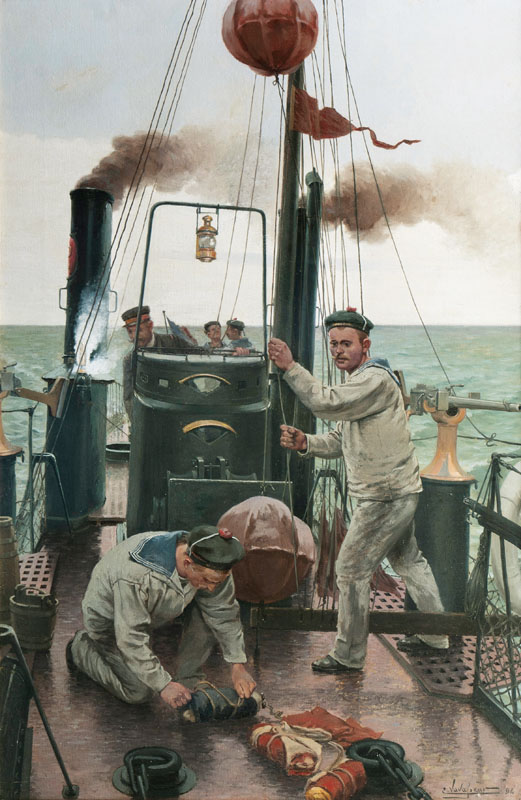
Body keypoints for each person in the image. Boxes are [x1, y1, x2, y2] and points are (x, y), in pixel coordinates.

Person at [267, 308, 449, 674]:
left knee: (349, 569)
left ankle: (348, 656)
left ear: (365, 345)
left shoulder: (374, 381)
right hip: (396, 491)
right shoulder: (361, 383)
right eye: (333, 344)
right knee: (408, 561)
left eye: (346, 344)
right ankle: (436, 636)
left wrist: (290, 368)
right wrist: (306, 442)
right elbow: (340, 438)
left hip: (384, 496)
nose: (337, 351)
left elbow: (325, 403)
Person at [66, 524, 256, 709]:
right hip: (110, 625)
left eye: (217, 581)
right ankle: (80, 647)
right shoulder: (135, 575)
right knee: (140, 692)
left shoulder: (211, 560)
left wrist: (237, 666)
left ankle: (188, 677)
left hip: (150, 614)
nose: (213, 587)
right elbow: (130, 638)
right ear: (187, 563)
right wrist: (164, 685)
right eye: (207, 580)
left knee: (209, 608)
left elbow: (223, 612)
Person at [121, 305, 196, 418]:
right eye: (130, 332)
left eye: (138, 331)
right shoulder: (130, 360)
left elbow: (200, 355)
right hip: (154, 416)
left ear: (150, 325)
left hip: (185, 408)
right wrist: (137, 422)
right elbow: (129, 397)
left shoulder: (173, 342)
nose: (134, 337)